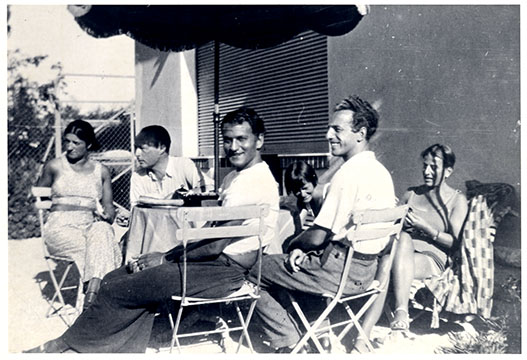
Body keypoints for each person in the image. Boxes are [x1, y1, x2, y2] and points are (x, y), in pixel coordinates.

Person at [24, 106, 279, 353]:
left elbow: (214, 244)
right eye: (227, 139)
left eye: (241, 139)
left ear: (259, 141)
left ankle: (65, 345)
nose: (233, 147)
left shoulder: (254, 181)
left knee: (119, 286)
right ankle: (110, 347)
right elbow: (211, 234)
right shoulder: (235, 177)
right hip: (211, 264)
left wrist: (165, 257)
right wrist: (167, 255)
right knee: (114, 278)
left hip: (225, 271)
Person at [248, 95, 396, 353]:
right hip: (367, 272)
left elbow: (317, 236)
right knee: (294, 267)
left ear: (360, 133)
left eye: (337, 129)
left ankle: (289, 340)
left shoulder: (348, 174)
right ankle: (319, 329)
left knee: (257, 269)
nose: (329, 135)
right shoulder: (381, 173)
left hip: (336, 272)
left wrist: (294, 244)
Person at [37, 119, 121, 310]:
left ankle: (92, 300)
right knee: (99, 250)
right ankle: (101, 304)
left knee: (103, 229)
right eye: (67, 141)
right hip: (60, 228)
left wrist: (107, 215)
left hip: (89, 226)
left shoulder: (102, 171)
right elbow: (38, 194)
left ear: (89, 144)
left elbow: (109, 209)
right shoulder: (55, 166)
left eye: (76, 143)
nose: (69, 147)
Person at [387, 144, 468, 336]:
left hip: (432, 257)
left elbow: (456, 244)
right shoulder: (411, 194)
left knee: (400, 246)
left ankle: (401, 312)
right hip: (401, 249)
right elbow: (392, 226)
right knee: (400, 242)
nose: (427, 171)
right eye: (425, 166)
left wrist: (427, 229)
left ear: (448, 171)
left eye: (434, 167)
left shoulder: (457, 200)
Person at [115, 125, 213, 226]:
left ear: (162, 148)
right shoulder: (138, 176)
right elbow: (137, 212)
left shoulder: (183, 165)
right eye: (136, 148)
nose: (137, 153)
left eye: (143, 148)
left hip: (186, 233)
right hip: (155, 234)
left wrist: (182, 195)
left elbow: (210, 188)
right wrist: (129, 218)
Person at [283, 160, 320, 231]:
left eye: (305, 188)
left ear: (313, 180)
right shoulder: (302, 204)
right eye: (296, 190)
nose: (303, 194)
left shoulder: (325, 199)